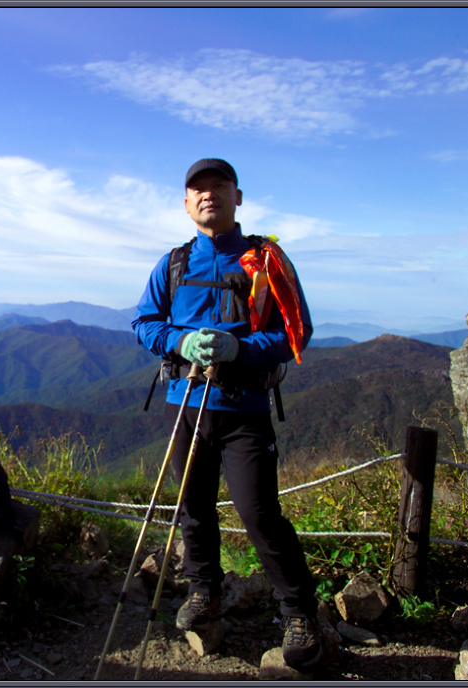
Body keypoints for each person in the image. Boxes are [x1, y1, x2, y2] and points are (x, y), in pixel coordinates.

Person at [131, 158, 322, 672]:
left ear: (239, 197)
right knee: (192, 507)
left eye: (219, 186)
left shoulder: (266, 259)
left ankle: (301, 613)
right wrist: (180, 340)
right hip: (185, 405)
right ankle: (204, 590)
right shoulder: (172, 264)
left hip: (242, 409)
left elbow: (295, 333)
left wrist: (240, 349)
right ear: (186, 202)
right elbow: (145, 323)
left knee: (259, 514)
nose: (208, 195)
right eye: (198, 189)